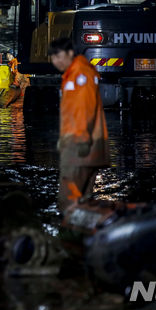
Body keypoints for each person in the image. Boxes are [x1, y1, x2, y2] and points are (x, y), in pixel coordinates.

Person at [48, 37, 109, 212]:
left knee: (68, 200)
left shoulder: (79, 75)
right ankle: (85, 234)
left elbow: (84, 109)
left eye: (59, 56)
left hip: (80, 145)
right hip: (86, 142)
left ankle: (69, 235)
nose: (56, 62)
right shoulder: (76, 74)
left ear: (70, 53)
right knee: (84, 200)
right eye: (52, 58)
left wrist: (80, 139)